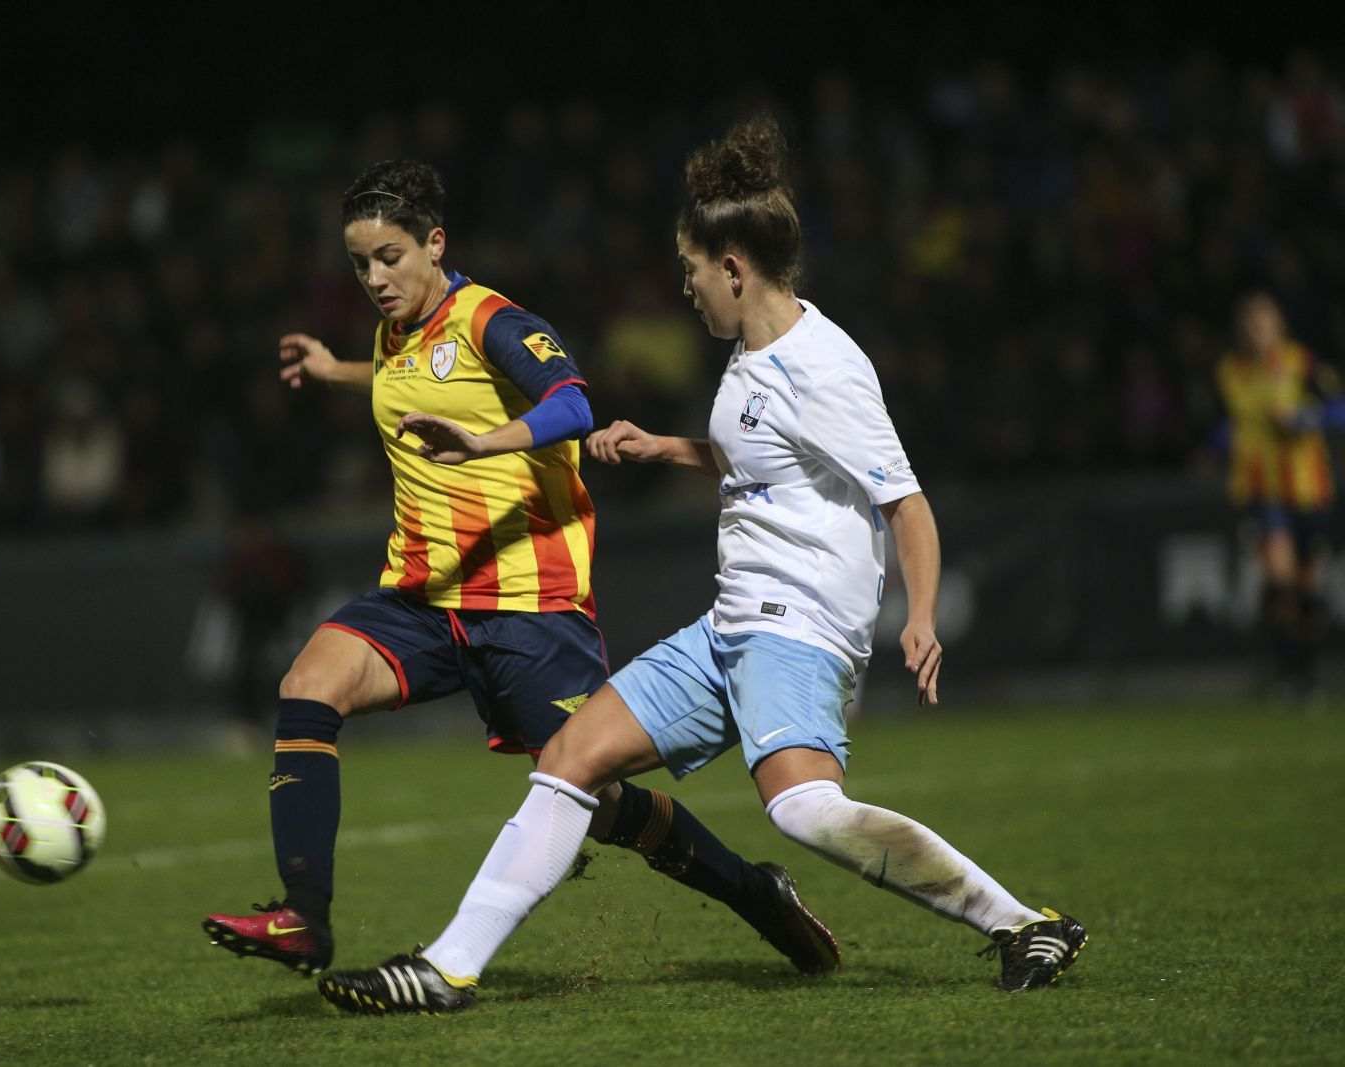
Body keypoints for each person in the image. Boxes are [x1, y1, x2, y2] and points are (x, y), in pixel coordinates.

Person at [317, 117, 1088, 1014]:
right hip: (729, 628)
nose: (685, 291)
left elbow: (904, 502)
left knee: (803, 811)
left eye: (690, 272)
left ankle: (1022, 920)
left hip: (798, 632)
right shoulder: (746, 354)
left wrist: (917, 617)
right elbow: (760, 456)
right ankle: (446, 967)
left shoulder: (825, 367)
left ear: (733, 267)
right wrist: (669, 448)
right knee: (570, 758)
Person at [201, 159, 840, 979]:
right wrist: (336, 371)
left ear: (435, 244)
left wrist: (483, 443)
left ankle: (756, 893)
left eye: (390, 256)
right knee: (306, 686)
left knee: (599, 801)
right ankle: (303, 919)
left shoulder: (494, 320)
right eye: (360, 262)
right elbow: (412, 378)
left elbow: (573, 402)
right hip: (423, 596)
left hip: (528, 605)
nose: (374, 277)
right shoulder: (397, 336)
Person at [1215, 291, 1339, 701]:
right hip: (1263, 493)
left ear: (1278, 326)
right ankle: (1288, 673)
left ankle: (1308, 672)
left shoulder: (1300, 363)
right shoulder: (1231, 372)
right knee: (1280, 580)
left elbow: (1339, 408)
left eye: (1264, 323)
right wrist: (1215, 447)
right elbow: (1228, 424)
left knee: (1307, 588)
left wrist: (1305, 418)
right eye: (1250, 324)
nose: (1257, 331)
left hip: (1309, 490)